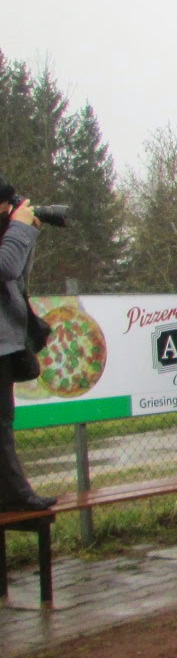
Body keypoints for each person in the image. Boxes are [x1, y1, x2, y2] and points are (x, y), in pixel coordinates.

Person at [0, 192, 55, 511]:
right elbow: (5, 268)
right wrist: (19, 229)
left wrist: (27, 235)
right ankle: (18, 496)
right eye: (6, 206)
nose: (9, 212)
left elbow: (17, 278)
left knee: (4, 422)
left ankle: (13, 495)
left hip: (6, 346)